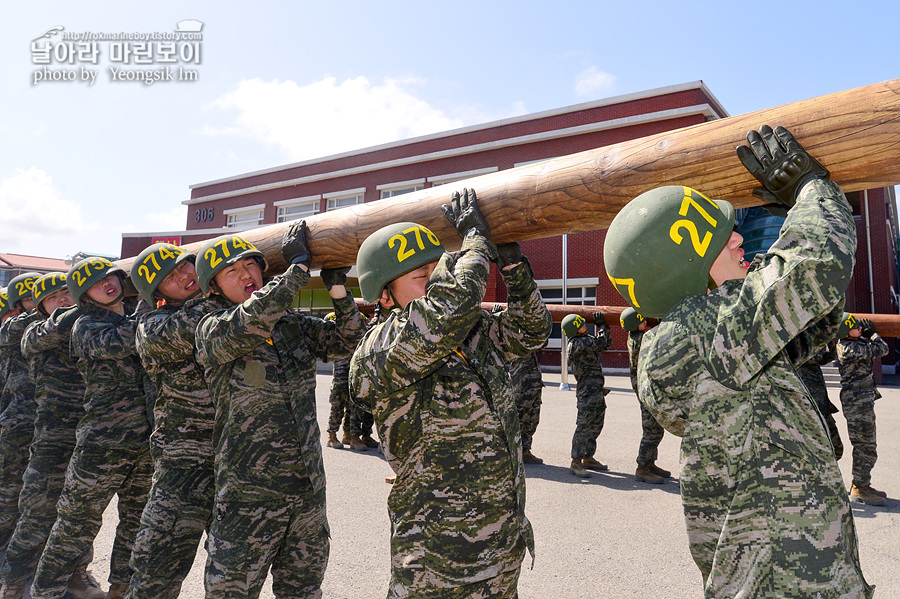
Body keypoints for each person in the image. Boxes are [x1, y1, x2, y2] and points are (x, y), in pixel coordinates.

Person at [604, 125, 871, 597]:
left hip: (790, 570)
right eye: (721, 239)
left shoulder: (710, 344)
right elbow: (816, 263)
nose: (737, 240)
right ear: (687, 267)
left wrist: (794, 215)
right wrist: (810, 188)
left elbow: (808, 322)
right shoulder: (700, 335)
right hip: (787, 581)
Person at [349, 188, 552, 598]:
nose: (439, 278)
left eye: (438, 269)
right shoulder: (379, 350)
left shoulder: (470, 333)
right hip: (439, 563)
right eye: (423, 277)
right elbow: (445, 312)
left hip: (500, 548)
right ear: (384, 296)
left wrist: (512, 263)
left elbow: (531, 329)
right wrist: (475, 241)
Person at [194, 227, 366, 599]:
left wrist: (338, 289)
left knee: (303, 590)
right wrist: (297, 271)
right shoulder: (212, 330)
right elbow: (252, 319)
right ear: (213, 288)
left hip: (305, 493)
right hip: (247, 498)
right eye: (232, 271)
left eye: (251, 266)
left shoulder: (291, 326)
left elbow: (347, 340)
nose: (246, 275)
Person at [30, 258, 154, 599]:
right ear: (84, 296)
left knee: (136, 524)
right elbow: (127, 340)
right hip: (102, 444)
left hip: (144, 444)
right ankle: (46, 592)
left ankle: (120, 589)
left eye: (110, 277)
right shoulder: (85, 325)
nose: (107, 284)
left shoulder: (133, 316)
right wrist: (149, 304)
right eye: (95, 283)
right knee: (73, 526)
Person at [0, 273, 104, 599]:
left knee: (77, 515)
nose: (63, 300)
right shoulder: (30, 329)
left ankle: (76, 573)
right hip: (37, 433)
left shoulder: (87, 327)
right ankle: (13, 582)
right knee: (28, 510)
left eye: (67, 294)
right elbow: (23, 330)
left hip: (84, 435)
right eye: (52, 296)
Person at [126, 243, 216, 599]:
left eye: (184, 267)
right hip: (184, 466)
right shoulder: (154, 326)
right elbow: (198, 323)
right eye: (169, 278)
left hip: (237, 460)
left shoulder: (229, 314)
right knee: (156, 571)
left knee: (231, 573)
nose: (183, 277)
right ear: (156, 292)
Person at [0, 272, 42, 558]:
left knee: (37, 494)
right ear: (17, 305)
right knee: (8, 489)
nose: (36, 303)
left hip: (48, 423)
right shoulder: (14, 326)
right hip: (16, 422)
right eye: (31, 298)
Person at [836, 313, 890, 506]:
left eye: (859, 325)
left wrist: (866, 334)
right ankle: (860, 488)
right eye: (855, 326)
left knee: (865, 445)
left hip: (859, 400)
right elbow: (883, 349)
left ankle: (862, 484)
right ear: (845, 332)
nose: (860, 327)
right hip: (857, 402)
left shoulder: (852, 344)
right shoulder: (850, 347)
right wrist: (873, 334)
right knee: (866, 446)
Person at [620, 307, 670, 484]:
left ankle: (650, 463)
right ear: (635, 325)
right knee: (652, 429)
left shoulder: (634, 336)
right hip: (645, 389)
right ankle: (642, 467)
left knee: (655, 427)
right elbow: (661, 338)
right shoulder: (641, 339)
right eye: (642, 321)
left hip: (644, 386)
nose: (646, 323)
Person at [561, 312, 611, 478]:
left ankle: (588, 457)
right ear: (575, 330)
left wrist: (603, 329)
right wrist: (602, 327)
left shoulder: (584, 340)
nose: (585, 326)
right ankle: (576, 461)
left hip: (595, 390)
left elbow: (606, 344)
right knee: (584, 427)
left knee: (596, 424)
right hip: (587, 392)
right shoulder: (577, 343)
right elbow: (602, 342)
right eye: (581, 324)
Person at [797, 339, 843, 460]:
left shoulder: (814, 357)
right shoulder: (799, 353)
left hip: (823, 405)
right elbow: (813, 357)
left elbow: (832, 355)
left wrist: (830, 340)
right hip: (810, 408)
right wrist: (822, 337)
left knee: (837, 448)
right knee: (817, 448)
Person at [509, 345, 546, 464]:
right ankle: (512, 453)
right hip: (522, 384)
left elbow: (542, 342)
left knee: (532, 419)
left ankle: (525, 450)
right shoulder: (514, 333)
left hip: (534, 383)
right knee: (519, 418)